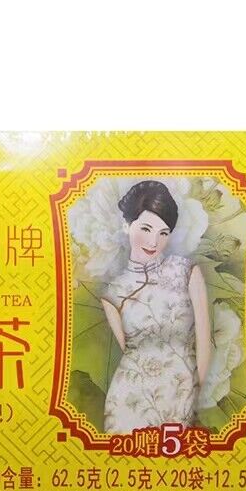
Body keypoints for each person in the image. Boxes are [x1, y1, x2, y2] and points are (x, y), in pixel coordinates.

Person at [100, 180, 211, 433]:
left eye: (163, 233)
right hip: (128, 402)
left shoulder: (186, 272)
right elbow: (130, 351)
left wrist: (193, 397)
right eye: (146, 228)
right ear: (127, 225)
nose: (154, 241)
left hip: (182, 397)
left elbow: (204, 342)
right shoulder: (113, 292)